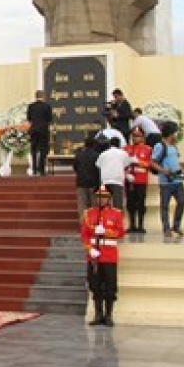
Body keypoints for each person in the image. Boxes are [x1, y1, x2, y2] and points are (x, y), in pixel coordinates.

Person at [80, 187, 125, 326]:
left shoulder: (116, 214)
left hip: (109, 256)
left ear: (109, 198)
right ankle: (98, 314)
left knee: (110, 287)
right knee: (95, 285)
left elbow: (121, 232)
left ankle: (109, 315)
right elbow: (84, 235)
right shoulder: (89, 214)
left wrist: (106, 231)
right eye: (99, 196)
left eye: (105, 197)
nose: (102, 199)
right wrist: (90, 249)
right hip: (94, 256)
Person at [150, 122, 184, 238]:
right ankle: (166, 228)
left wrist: (183, 172)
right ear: (171, 134)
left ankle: (176, 225)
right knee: (164, 205)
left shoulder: (174, 146)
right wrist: (164, 171)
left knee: (182, 202)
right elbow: (153, 162)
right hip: (166, 181)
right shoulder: (160, 146)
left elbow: (176, 162)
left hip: (178, 180)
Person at [124, 128, 153, 233]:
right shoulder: (126, 149)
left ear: (142, 137)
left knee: (141, 203)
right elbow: (122, 164)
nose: (136, 138)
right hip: (130, 180)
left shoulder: (148, 149)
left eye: (138, 136)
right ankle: (132, 224)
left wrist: (138, 162)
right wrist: (126, 174)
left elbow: (150, 164)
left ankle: (141, 225)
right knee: (130, 203)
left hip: (141, 180)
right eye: (134, 136)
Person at [95, 138, 134, 211]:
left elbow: (97, 165)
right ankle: (117, 220)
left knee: (104, 203)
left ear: (110, 144)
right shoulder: (123, 153)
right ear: (119, 144)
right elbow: (127, 165)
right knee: (118, 204)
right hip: (117, 180)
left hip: (105, 180)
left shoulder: (103, 153)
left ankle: (105, 220)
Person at [27, 90, 54, 176]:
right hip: (43, 131)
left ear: (36, 96)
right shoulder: (47, 106)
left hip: (34, 130)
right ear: (43, 96)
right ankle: (41, 170)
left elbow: (29, 118)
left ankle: (34, 170)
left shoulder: (31, 106)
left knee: (33, 151)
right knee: (43, 150)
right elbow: (50, 119)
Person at [73, 137, 101, 217]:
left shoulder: (79, 154)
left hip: (81, 182)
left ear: (85, 145)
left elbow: (75, 167)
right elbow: (98, 169)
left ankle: (84, 224)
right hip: (93, 182)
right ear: (94, 145)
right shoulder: (97, 155)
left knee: (82, 205)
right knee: (94, 204)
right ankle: (94, 223)